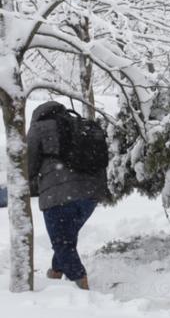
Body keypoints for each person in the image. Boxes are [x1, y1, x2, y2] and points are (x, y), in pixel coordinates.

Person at [27, 101, 108, 290]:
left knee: (62, 242)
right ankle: (55, 272)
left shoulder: (38, 128)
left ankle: (80, 286)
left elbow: (27, 165)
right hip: (91, 195)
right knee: (66, 238)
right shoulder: (79, 125)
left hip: (58, 196)